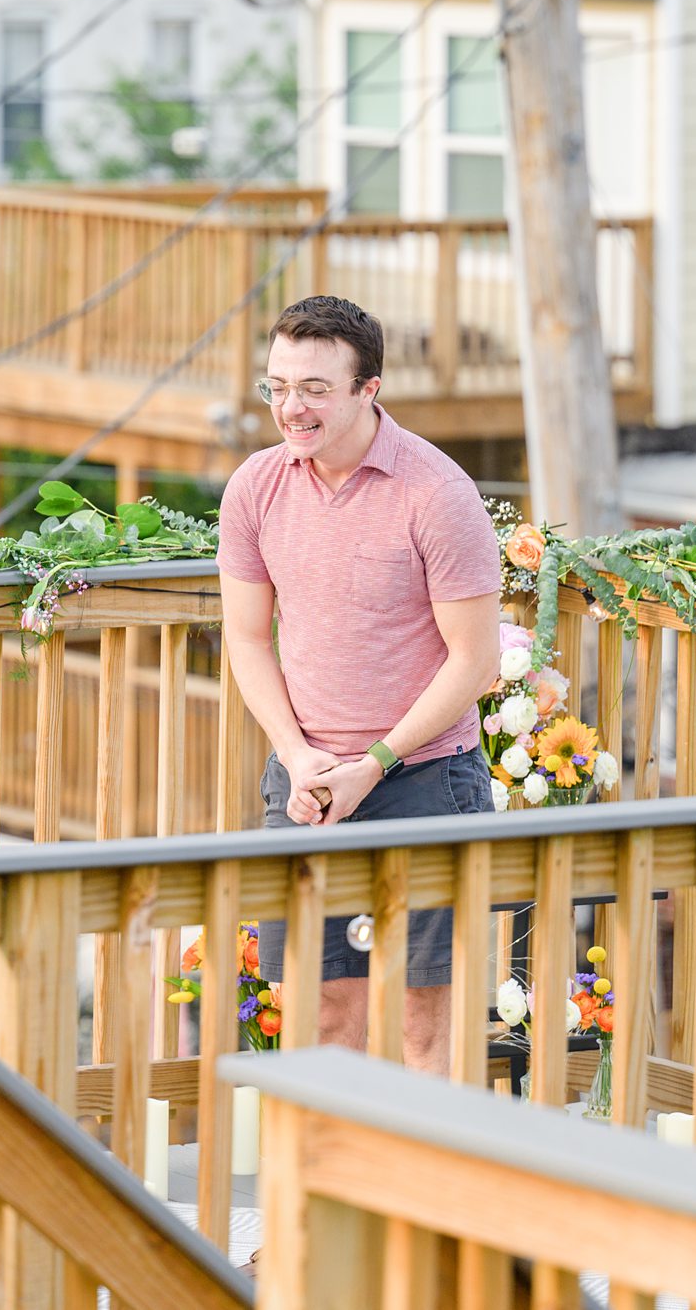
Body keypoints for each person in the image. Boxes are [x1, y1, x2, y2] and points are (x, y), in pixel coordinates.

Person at [218, 295, 501, 1074]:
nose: (289, 406)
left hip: (423, 778)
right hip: (304, 782)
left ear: (368, 388)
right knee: (316, 1006)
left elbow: (473, 661)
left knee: (421, 1021)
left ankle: (414, 1196)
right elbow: (246, 637)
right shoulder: (255, 488)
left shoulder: (437, 494)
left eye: (313, 387)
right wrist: (298, 757)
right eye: (276, 385)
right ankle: (322, 1193)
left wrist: (372, 761)